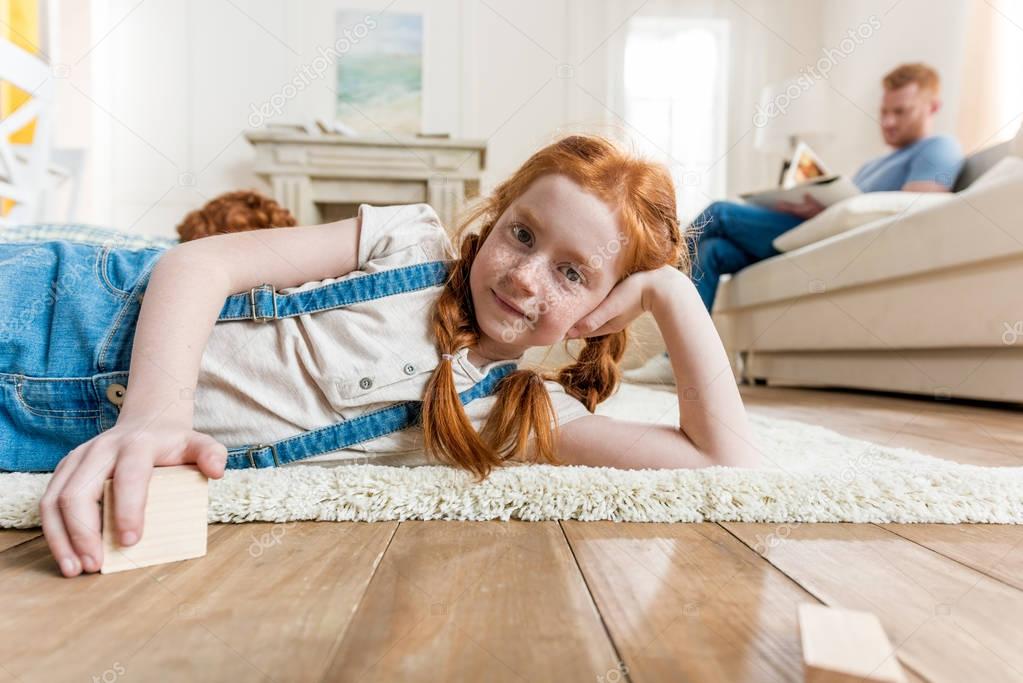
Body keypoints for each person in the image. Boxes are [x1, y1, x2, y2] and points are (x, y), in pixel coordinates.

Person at [0, 134, 763, 578]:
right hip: (67, 307)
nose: (524, 275)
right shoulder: (410, 240)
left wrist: (672, 292)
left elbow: (723, 462)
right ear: (495, 219)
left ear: (600, 310)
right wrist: (153, 416)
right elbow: (195, 266)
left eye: (572, 273)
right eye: (522, 234)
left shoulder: (516, 413)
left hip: (43, 434)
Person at [625, 62, 965, 384]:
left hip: (832, 237)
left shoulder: (939, 147)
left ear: (933, 107)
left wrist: (830, 209)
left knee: (720, 213)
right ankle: (677, 362)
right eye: (884, 111)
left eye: (901, 111)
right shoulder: (876, 164)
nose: (888, 121)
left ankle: (643, 265)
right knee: (713, 251)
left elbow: (917, 207)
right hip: (813, 226)